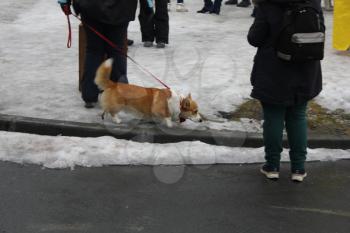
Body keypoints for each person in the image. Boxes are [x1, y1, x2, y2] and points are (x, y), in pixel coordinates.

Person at [247, 0, 324, 182]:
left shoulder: (267, 4)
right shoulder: (313, 2)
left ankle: (272, 165)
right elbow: (321, 31)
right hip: (305, 66)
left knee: (273, 117)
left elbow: (255, 38)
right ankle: (298, 167)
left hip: (273, 69)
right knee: (298, 116)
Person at [58, 0, 138, 108]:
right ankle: (120, 93)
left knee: (94, 51)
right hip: (121, 8)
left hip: (91, 7)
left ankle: (89, 95)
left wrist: (64, 2)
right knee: (116, 51)